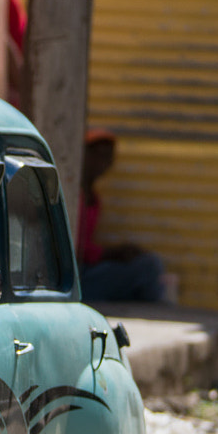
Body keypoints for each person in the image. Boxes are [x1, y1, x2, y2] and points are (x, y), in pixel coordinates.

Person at [79, 129, 168, 303]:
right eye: (97, 155)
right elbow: (76, 249)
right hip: (79, 277)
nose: (102, 162)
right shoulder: (75, 195)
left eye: (108, 157)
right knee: (149, 267)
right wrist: (111, 253)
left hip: (90, 271)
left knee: (147, 265)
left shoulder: (94, 198)